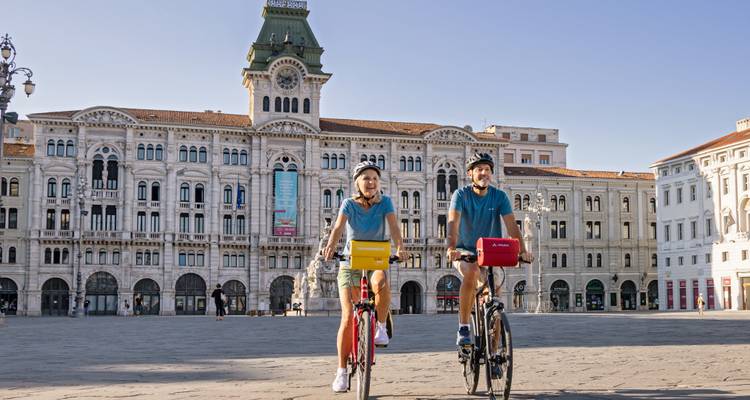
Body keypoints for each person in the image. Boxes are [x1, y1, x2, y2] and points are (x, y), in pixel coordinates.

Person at [323, 160, 408, 393]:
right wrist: (331, 246)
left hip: (376, 259)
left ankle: (380, 326)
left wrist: (400, 247)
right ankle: (341, 371)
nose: (370, 182)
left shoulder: (386, 202)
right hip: (350, 262)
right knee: (349, 315)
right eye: (365, 178)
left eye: (374, 178)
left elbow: (394, 227)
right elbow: (338, 227)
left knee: (380, 282)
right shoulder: (348, 204)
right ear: (357, 183)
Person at [446, 153, 533, 350]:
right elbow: (453, 223)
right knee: (471, 272)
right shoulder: (460, 195)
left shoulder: (499, 196)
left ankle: (494, 351)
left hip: (490, 251)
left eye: (487, 169)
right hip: (464, 250)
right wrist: (451, 247)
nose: (484, 173)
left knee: (495, 296)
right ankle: (464, 327)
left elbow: (512, 227)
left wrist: (523, 251)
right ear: (470, 174)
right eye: (479, 169)